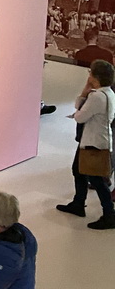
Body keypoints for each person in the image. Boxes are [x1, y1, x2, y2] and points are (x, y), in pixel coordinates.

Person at [56, 59, 115, 229]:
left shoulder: (97, 97)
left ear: (94, 77)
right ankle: (78, 203)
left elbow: (80, 116)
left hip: (92, 143)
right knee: (78, 171)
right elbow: (79, 107)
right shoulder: (108, 93)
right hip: (94, 141)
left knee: (96, 180)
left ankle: (108, 214)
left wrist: (85, 93)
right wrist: (85, 92)